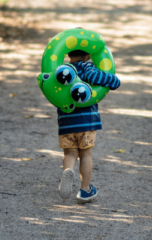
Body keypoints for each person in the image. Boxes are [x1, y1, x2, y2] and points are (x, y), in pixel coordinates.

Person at [57, 49, 121, 202]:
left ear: (68, 53)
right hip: (86, 121)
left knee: (70, 153)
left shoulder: (62, 71)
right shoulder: (88, 68)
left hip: (66, 121)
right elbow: (110, 82)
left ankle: (68, 172)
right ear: (88, 54)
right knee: (86, 154)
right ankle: (85, 190)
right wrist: (114, 79)